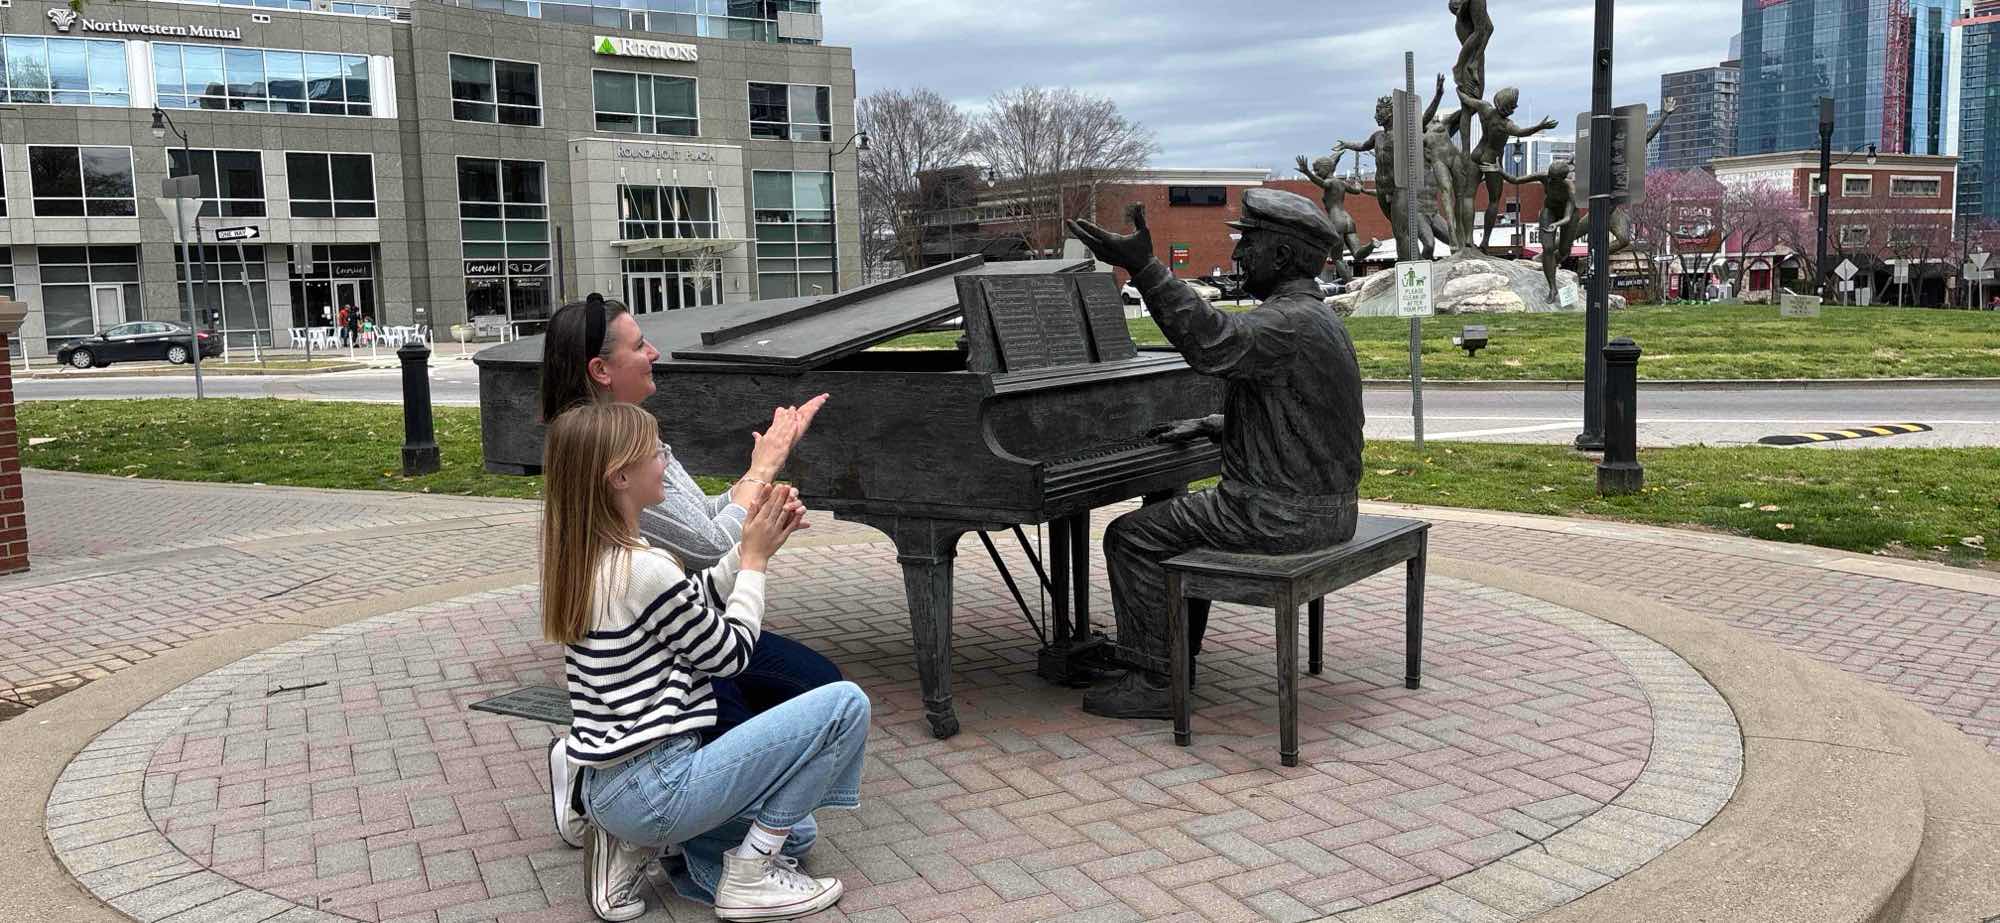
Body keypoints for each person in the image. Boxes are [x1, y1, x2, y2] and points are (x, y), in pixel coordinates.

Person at [538, 293, 844, 910]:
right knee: (824, 710)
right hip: (669, 667)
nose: (653, 353)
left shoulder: (623, 449)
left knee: (813, 690)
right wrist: (762, 486)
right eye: (637, 345)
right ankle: (659, 834)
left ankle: (607, 789)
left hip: (667, 635)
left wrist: (756, 518)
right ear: (601, 370)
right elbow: (708, 554)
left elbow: (704, 529)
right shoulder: (612, 468)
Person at [1065, 191, 1364, 718]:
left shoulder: (1285, 322)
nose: (1237, 254)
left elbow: (1212, 341)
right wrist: (1214, 424)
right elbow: (1305, 418)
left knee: (1131, 537)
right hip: (1326, 508)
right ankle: (1171, 652)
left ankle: (1156, 680)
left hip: (1280, 515)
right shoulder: (1316, 318)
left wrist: (1144, 266)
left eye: (1249, 240)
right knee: (1177, 527)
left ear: (1284, 256)